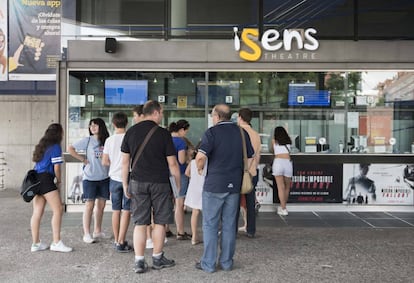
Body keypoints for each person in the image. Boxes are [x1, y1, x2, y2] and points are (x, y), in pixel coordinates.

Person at [121, 100, 180, 274]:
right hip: (160, 183)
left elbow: (125, 162)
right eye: (161, 112)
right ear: (155, 112)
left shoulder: (131, 132)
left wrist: (125, 184)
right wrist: (177, 185)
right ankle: (157, 257)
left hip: (138, 182)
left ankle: (139, 261)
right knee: (160, 222)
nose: (161, 116)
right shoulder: (163, 134)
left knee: (140, 222)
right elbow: (173, 163)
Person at [195, 104, 254, 273]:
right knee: (229, 225)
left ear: (217, 117)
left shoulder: (211, 133)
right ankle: (227, 263)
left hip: (214, 185)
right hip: (234, 185)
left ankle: (209, 264)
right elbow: (250, 158)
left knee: (210, 224)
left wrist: (200, 168)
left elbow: (200, 158)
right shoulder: (242, 133)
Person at [31, 123, 72, 252]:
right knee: (58, 210)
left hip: (35, 179)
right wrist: (59, 181)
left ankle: (36, 243)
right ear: (59, 134)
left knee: (37, 212)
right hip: (46, 180)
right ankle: (56, 242)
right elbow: (57, 167)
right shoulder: (55, 147)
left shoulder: (41, 146)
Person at [68, 118, 110, 244]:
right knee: (89, 205)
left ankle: (97, 231)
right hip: (90, 178)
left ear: (101, 126)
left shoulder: (107, 141)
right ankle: (86, 233)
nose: (92, 127)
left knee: (101, 206)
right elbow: (71, 148)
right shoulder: (87, 141)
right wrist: (82, 159)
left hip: (104, 177)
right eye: (91, 125)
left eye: (95, 125)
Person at [102, 112, 133, 252]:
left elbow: (104, 161)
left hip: (114, 178)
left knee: (115, 210)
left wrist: (114, 162)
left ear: (113, 124)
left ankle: (116, 240)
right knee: (126, 210)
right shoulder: (131, 138)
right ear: (127, 123)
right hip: (129, 177)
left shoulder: (109, 140)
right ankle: (122, 240)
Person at [237, 108, 261, 238]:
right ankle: (251, 230)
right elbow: (257, 155)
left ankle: (232, 229)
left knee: (234, 202)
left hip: (238, 172)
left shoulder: (236, 132)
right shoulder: (256, 134)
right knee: (250, 202)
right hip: (252, 172)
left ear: (240, 117)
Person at [168, 119, 192, 240]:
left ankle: (166, 229)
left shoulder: (166, 140)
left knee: (167, 202)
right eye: (186, 131)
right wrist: (189, 157)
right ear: (182, 130)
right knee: (179, 203)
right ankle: (180, 231)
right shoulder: (181, 143)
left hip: (165, 174)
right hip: (179, 174)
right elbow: (181, 160)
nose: (185, 134)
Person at [184, 143, 205, 245]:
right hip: (205, 188)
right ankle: (208, 235)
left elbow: (186, 173)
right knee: (207, 214)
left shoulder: (192, 162)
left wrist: (194, 177)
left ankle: (194, 236)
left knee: (195, 212)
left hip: (194, 188)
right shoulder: (207, 162)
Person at [272, 126, 293, 216]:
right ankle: (284, 207)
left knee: (280, 187)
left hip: (278, 162)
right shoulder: (289, 141)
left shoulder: (274, 141)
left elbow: (272, 150)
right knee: (287, 186)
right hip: (287, 163)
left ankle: (283, 208)